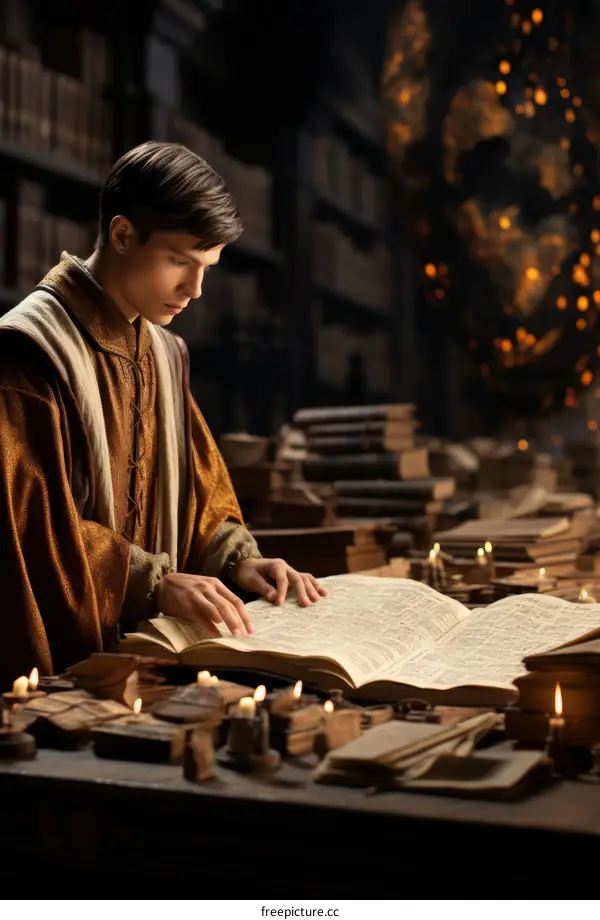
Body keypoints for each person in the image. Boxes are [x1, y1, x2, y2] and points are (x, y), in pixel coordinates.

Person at [0, 141, 327, 687]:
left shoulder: (165, 354)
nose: (195, 290)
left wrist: (237, 562)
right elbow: (29, 531)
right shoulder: (30, 353)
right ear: (122, 235)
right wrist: (149, 582)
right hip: (62, 672)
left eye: (207, 268)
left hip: (154, 661)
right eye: (179, 261)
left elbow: (199, 492)